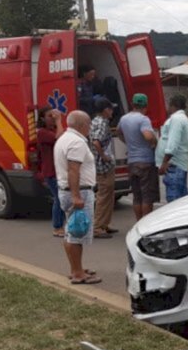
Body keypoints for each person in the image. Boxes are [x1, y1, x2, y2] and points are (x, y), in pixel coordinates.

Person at [54, 110, 100, 284]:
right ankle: (78, 273)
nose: (90, 128)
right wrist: (76, 196)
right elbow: (73, 169)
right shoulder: (76, 142)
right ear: (82, 125)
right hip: (78, 191)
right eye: (89, 125)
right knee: (77, 233)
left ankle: (76, 268)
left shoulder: (64, 139)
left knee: (71, 232)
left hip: (68, 190)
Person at [119, 93, 158, 220]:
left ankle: (138, 222)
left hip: (132, 161)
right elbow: (148, 136)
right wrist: (154, 143)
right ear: (145, 106)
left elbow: (118, 132)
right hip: (146, 161)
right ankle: (146, 224)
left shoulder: (124, 119)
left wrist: (128, 143)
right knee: (147, 196)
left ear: (132, 104)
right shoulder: (143, 119)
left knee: (137, 196)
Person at [156, 94, 188, 202]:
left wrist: (164, 163)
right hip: (177, 164)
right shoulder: (182, 118)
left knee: (174, 201)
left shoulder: (176, 119)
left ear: (173, 106)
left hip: (174, 164)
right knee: (181, 200)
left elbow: (172, 143)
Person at [89, 97, 117, 237]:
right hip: (103, 166)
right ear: (106, 110)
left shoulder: (96, 121)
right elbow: (96, 142)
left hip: (102, 165)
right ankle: (98, 227)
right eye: (111, 109)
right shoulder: (101, 123)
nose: (112, 111)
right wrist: (104, 156)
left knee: (108, 195)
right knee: (104, 196)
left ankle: (104, 224)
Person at [36, 107, 66, 237]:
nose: (52, 118)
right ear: (42, 118)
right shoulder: (42, 132)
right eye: (50, 116)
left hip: (59, 170)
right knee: (59, 198)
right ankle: (57, 226)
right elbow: (58, 138)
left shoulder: (52, 130)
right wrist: (59, 121)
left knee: (63, 198)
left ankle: (62, 225)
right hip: (51, 172)